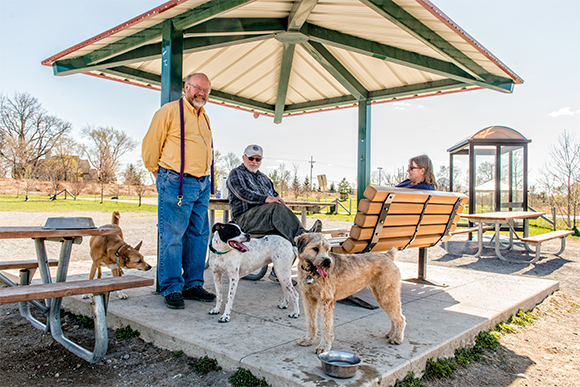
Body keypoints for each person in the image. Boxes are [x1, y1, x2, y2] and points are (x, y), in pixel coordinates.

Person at [142, 73, 216, 310]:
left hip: (201, 184)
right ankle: (172, 286)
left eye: (205, 90)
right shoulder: (170, 111)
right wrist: (160, 174)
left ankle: (193, 283)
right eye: (197, 88)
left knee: (199, 235)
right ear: (186, 87)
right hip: (176, 180)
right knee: (172, 235)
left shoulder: (204, 116)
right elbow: (150, 147)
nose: (201, 94)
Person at [227, 144, 322, 280]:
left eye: (258, 159)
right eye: (251, 158)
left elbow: (274, 197)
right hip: (244, 220)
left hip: (266, 220)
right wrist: (266, 199)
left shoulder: (264, 179)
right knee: (276, 210)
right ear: (244, 158)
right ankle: (304, 237)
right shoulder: (236, 174)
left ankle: (279, 272)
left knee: (286, 232)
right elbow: (242, 193)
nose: (254, 162)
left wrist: (278, 200)